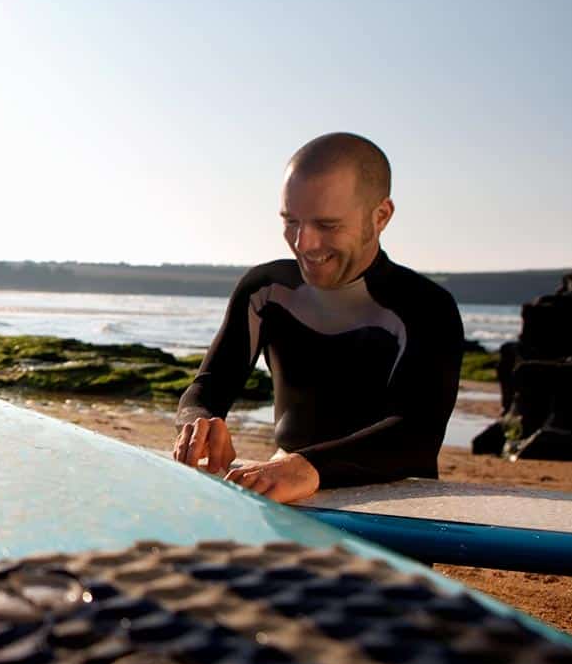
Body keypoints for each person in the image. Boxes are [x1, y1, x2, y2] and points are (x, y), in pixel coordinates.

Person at [172, 133, 463, 504]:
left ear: (381, 216)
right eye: (291, 220)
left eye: (327, 225)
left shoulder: (425, 306)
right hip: (292, 495)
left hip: (397, 503)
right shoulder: (266, 289)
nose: (303, 242)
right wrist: (199, 423)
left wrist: (309, 466)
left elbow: (416, 435)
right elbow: (208, 386)